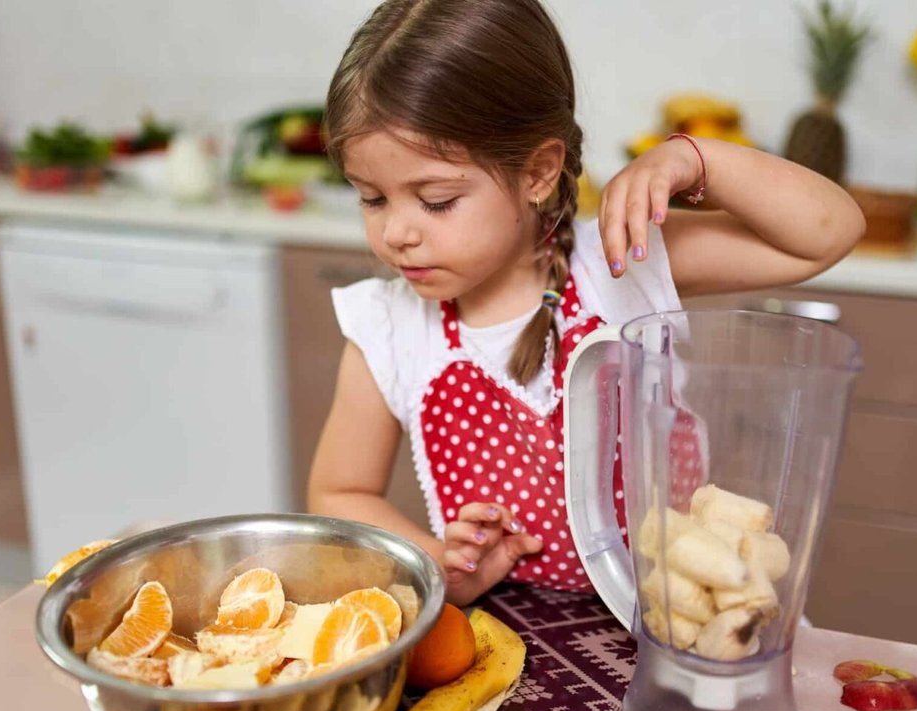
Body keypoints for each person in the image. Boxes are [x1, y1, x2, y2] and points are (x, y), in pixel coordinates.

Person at [307, 0, 865, 606]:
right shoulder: (389, 327)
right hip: (512, 641)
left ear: (539, 171)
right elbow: (339, 493)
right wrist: (440, 561)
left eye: (436, 200)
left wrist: (691, 158)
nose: (396, 234)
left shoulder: (622, 262)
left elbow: (826, 233)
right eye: (371, 199)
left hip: (676, 623)